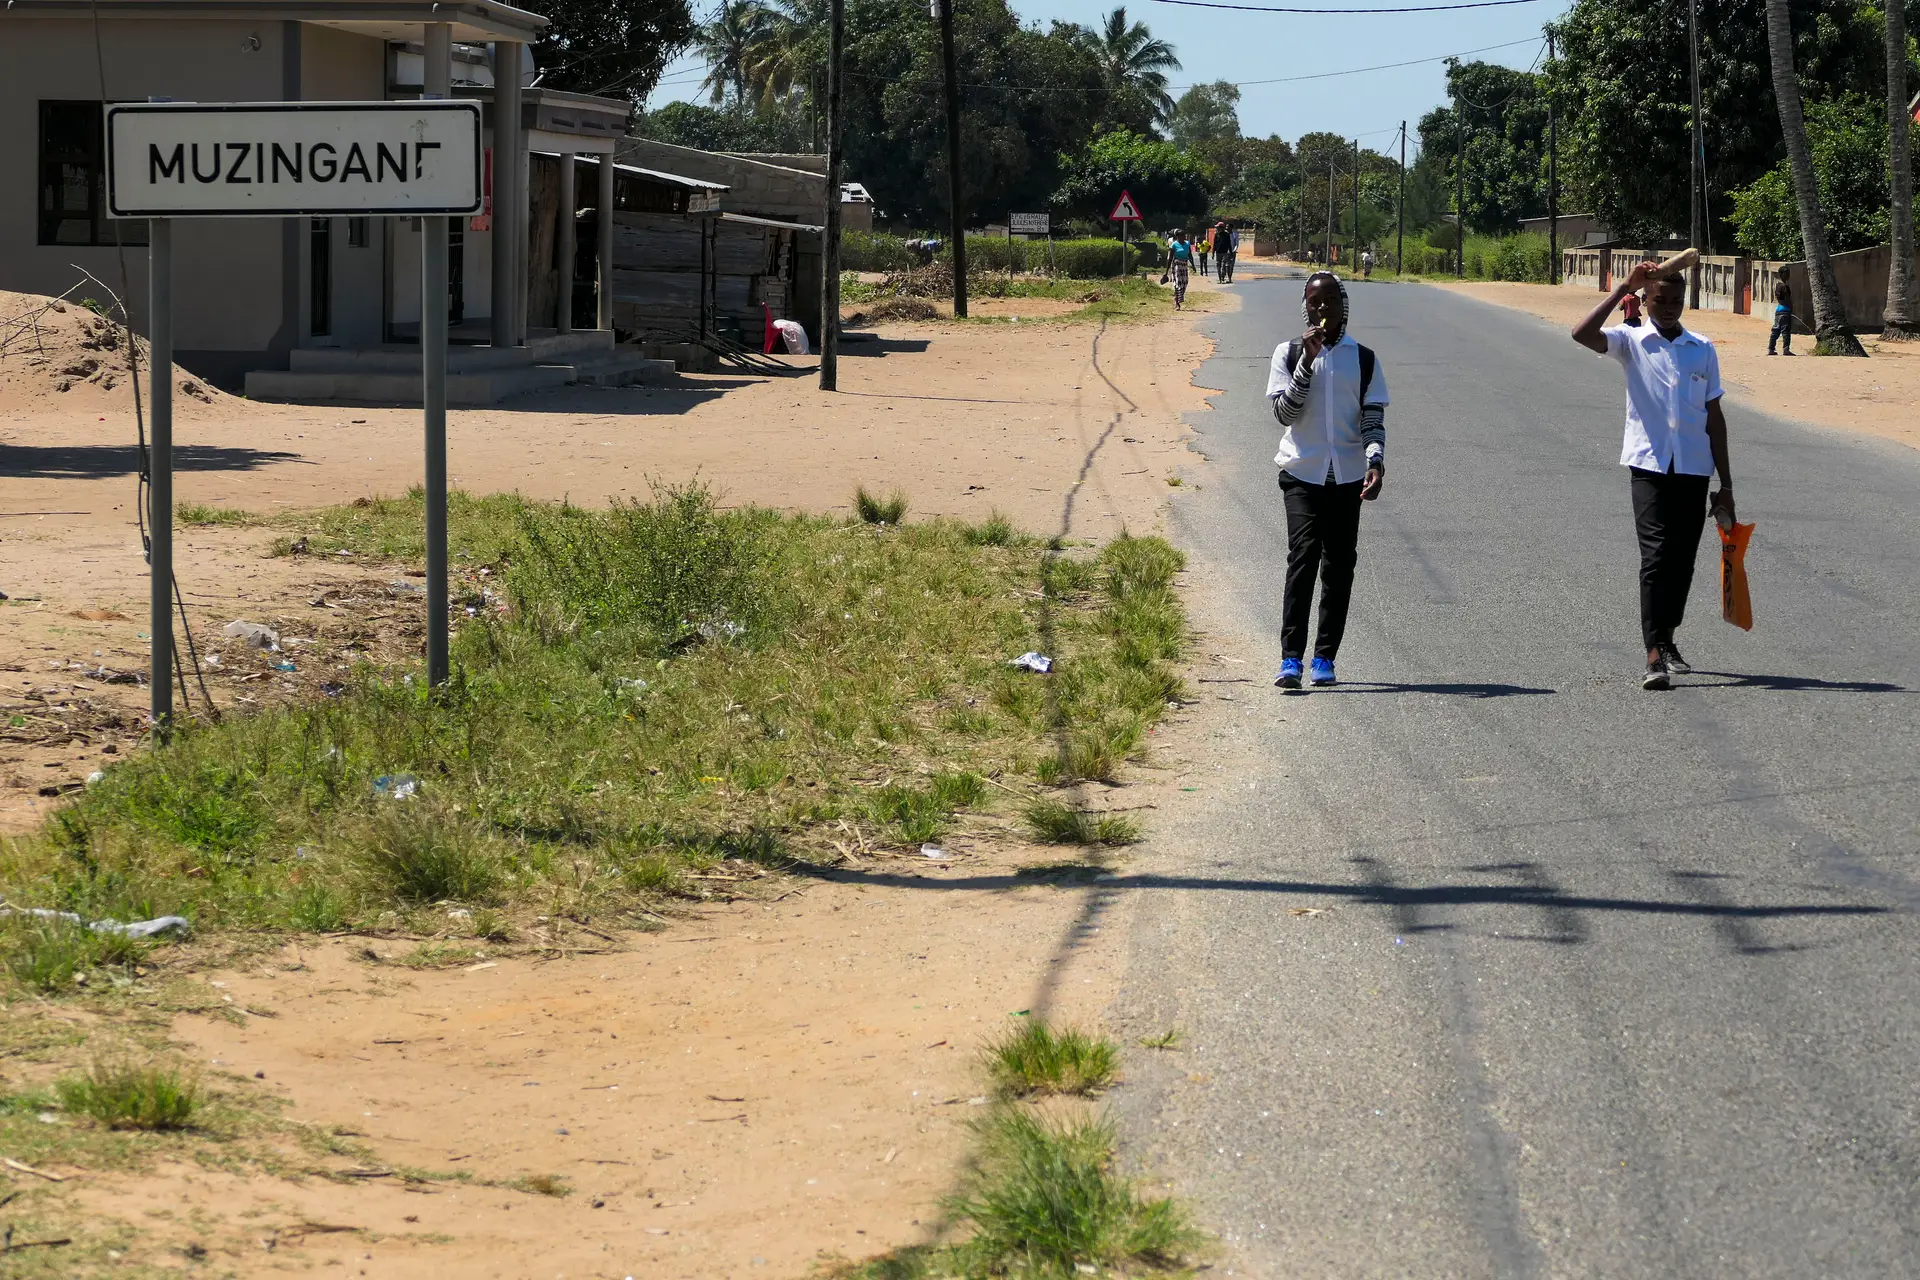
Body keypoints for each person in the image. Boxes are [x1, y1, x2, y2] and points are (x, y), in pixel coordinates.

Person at [1571, 258, 1738, 690]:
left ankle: (1667, 638)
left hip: (1694, 468)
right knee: (1656, 555)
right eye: (1660, 300)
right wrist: (1620, 287)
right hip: (1648, 465)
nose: (1668, 308)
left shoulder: (1701, 348)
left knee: (1681, 561)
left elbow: (1714, 417)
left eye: (1676, 301)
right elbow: (1581, 334)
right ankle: (1652, 653)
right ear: (1644, 301)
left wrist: (1727, 485)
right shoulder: (1630, 341)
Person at [1265, 272, 1389, 690]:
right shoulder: (1288, 353)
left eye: (1331, 299)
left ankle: (1324, 659)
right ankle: (1290, 660)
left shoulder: (1364, 358)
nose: (1323, 308)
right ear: (1305, 306)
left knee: (1339, 566)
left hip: (1348, 476)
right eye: (1315, 301)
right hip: (1302, 471)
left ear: (1343, 305)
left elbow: (1372, 417)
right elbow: (1284, 414)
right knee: (1302, 558)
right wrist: (1306, 364)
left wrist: (1375, 461)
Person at [1768, 268, 1794, 355]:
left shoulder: (1777, 285)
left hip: (1778, 310)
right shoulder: (1784, 286)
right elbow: (1787, 299)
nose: (1788, 275)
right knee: (1786, 331)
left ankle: (1771, 349)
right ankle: (1786, 349)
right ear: (1781, 274)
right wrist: (1790, 308)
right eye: (1786, 273)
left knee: (1776, 330)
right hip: (1785, 311)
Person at [1165, 229, 1193, 309]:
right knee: (1178, 283)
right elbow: (1170, 258)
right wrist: (1166, 272)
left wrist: (1193, 265)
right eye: (1182, 236)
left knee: (1185, 283)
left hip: (1184, 265)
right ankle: (1177, 302)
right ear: (1178, 237)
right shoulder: (1174, 245)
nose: (1184, 237)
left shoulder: (1187, 244)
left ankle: (1179, 296)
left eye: (1184, 236)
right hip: (1176, 265)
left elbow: (1190, 255)